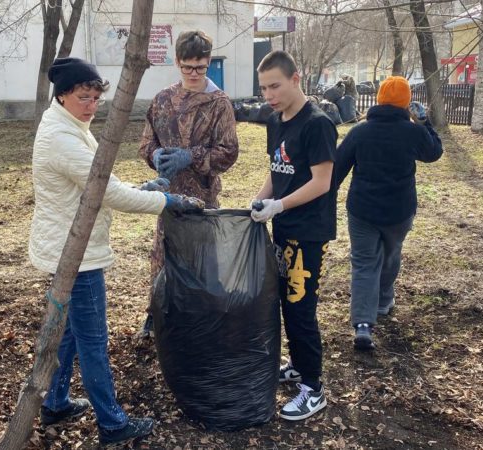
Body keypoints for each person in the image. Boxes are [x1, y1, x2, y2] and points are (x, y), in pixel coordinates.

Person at [29, 57, 202, 447]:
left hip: (68, 247)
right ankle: (112, 424)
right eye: (83, 97)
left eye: (95, 98)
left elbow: (98, 175)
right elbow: (104, 191)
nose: (91, 105)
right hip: (77, 255)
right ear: (62, 96)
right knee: (92, 342)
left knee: (70, 334)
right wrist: (167, 200)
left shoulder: (68, 125)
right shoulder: (62, 137)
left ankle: (54, 402)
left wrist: (143, 188)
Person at [250, 50, 339, 421]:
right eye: (264, 88)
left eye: (275, 86)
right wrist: (259, 199)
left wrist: (280, 206)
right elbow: (277, 168)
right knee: (284, 304)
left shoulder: (317, 124)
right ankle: (301, 366)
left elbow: (322, 183)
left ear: (295, 79)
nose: (269, 94)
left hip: (307, 231)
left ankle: (313, 388)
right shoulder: (276, 120)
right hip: (283, 227)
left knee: (300, 308)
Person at [136, 30, 239, 339]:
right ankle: (157, 315)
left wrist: (190, 156)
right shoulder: (162, 100)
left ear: (208, 63)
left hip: (202, 199)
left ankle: (206, 320)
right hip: (167, 198)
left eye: (201, 67)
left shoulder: (218, 103)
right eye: (188, 67)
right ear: (178, 62)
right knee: (163, 258)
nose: (194, 74)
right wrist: (156, 156)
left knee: (204, 261)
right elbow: (145, 144)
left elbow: (228, 153)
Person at [334, 76, 443, 351]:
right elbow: (434, 153)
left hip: (362, 210)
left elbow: (336, 170)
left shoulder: (360, 132)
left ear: (379, 99)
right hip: (399, 211)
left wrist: (323, 197)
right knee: (391, 255)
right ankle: (383, 301)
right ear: (407, 103)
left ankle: (362, 324)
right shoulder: (412, 132)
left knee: (363, 263)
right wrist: (425, 122)